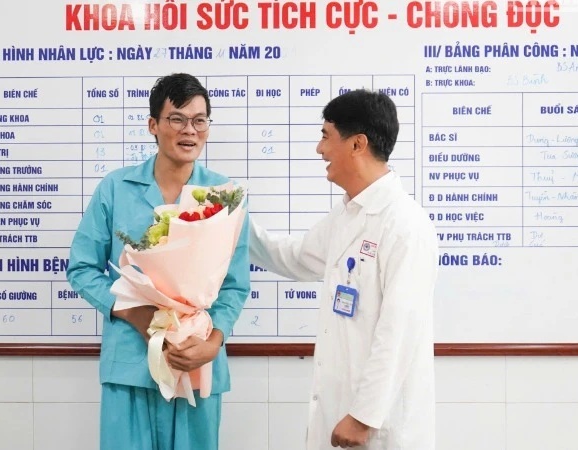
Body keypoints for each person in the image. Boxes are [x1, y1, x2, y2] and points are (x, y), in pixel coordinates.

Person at [66, 73, 250, 450]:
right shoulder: (115, 188)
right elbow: (82, 269)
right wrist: (138, 315)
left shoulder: (224, 195)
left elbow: (234, 284)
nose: (190, 130)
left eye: (200, 120)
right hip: (131, 366)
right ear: (153, 125)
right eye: (177, 119)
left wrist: (213, 342)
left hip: (195, 361)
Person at [249, 89, 439, 449]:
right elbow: (296, 256)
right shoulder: (349, 214)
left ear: (357, 144)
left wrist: (364, 416)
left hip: (378, 427)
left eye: (325, 136)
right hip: (341, 414)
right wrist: (230, 225)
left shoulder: (405, 225)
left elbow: (398, 331)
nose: (319, 149)